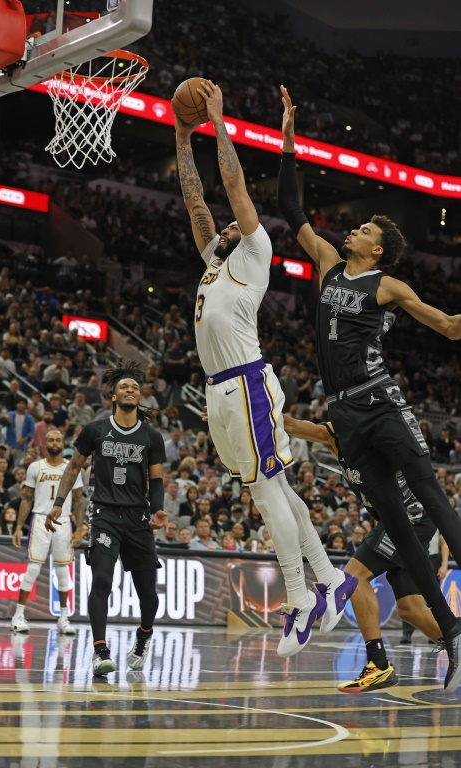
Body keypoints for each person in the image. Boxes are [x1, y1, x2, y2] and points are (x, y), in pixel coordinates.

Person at [278, 85, 461, 690]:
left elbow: (448, 327)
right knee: (404, 545)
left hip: (380, 400)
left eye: (361, 229)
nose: (351, 230)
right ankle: (449, 635)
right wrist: (287, 132)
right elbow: (289, 207)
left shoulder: (388, 286)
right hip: (346, 416)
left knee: (431, 496)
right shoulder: (330, 266)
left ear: (377, 248)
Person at [174, 79, 357, 658]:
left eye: (231, 224)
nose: (222, 226)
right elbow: (196, 199)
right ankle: (329, 580)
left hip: (247, 383)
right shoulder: (215, 259)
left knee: (270, 496)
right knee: (268, 491)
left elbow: (228, 186)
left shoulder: (254, 253)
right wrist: (182, 136)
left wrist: (220, 121)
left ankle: (301, 599)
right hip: (219, 392)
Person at [284, 415, 446, 693]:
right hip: (397, 518)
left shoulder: (373, 430)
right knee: (410, 610)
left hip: (410, 515)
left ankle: (378, 665)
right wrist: (235, 411)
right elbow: (290, 425)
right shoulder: (335, 434)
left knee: (352, 577)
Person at [44, 361, 167, 676]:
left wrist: (157, 509)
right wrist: (59, 502)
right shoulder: (96, 429)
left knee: (149, 596)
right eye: (124, 387)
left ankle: (143, 638)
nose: (130, 390)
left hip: (138, 518)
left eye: (135, 388)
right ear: (113, 396)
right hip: (104, 514)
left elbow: (156, 479)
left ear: (139, 397)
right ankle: (100, 651)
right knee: (101, 580)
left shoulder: (151, 437)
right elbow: (72, 468)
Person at [10, 429, 85, 634]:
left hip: (63, 521)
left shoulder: (72, 468)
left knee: (63, 570)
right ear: (45, 443)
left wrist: (79, 529)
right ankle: (18, 615)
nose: (54, 442)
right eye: (50, 439)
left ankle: (63, 618)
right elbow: (26, 498)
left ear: (63, 443)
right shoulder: (36, 467)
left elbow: (79, 500)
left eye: (57, 439)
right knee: (33, 567)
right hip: (41, 518)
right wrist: (18, 526)